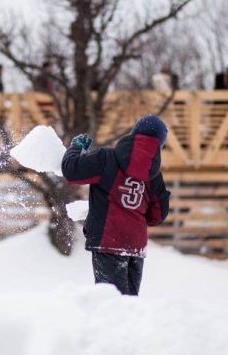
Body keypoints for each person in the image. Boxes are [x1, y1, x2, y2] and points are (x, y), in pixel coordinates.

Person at [61, 115, 171, 296]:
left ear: (133, 134)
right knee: (129, 305)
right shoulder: (155, 176)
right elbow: (157, 216)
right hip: (136, 246)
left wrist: (76, 147)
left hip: (108, 240)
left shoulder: (107, 158)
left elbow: (71, 171)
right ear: (160, 145)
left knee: (112, 304)